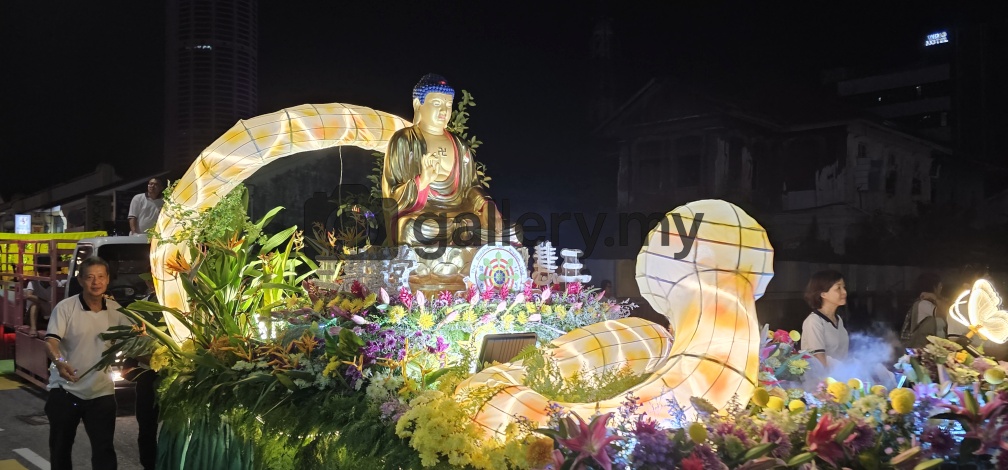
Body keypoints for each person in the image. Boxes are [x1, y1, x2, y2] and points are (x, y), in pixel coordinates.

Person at [381, 74, 504, 245]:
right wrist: (422, 182)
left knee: (508, 231)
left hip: (461, 216)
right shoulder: (404, 140)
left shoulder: (460, 145)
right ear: (418, 105)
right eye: (437, 104)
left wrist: (486, 205)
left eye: (448, 105)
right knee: (409, 228)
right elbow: (391, 196)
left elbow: (471, 187)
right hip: (425, 218)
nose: (444, 111)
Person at [44, 256, 130, 469]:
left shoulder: (116, 311)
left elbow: (133, 339)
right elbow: (51, 341)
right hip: (65, 390)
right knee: (60, 448)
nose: (96, 282)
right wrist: (61, 361)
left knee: (104, 451)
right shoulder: (66, 308)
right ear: (80, 280)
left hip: (101, 393)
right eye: (90, 277)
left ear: (108, 279)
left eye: (101, 276)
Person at [801, 270, 849, 368]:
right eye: (838, 288)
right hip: (823, 380)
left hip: (841, 377)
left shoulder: (838, 319)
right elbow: (819, 359)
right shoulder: (814, 321)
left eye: (843, 287)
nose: (844, 292)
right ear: (823, 294)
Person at [904, 272, 948, 348]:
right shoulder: (924, 304)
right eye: (940, 286)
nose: (941, 289)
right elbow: (946, 313)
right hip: (925, 350)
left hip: (933, 350)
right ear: (934, 287)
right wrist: (935, 297)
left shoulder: (934, 303)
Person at [26, 258, 55, 336]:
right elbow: (28, 295)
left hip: (48, 316)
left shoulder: (55, 284)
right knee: (35, 305)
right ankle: (33, 328)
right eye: (40, 272)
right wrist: (42, 301)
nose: (41, 273)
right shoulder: (33, 283)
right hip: (35, 316)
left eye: (49, 273)